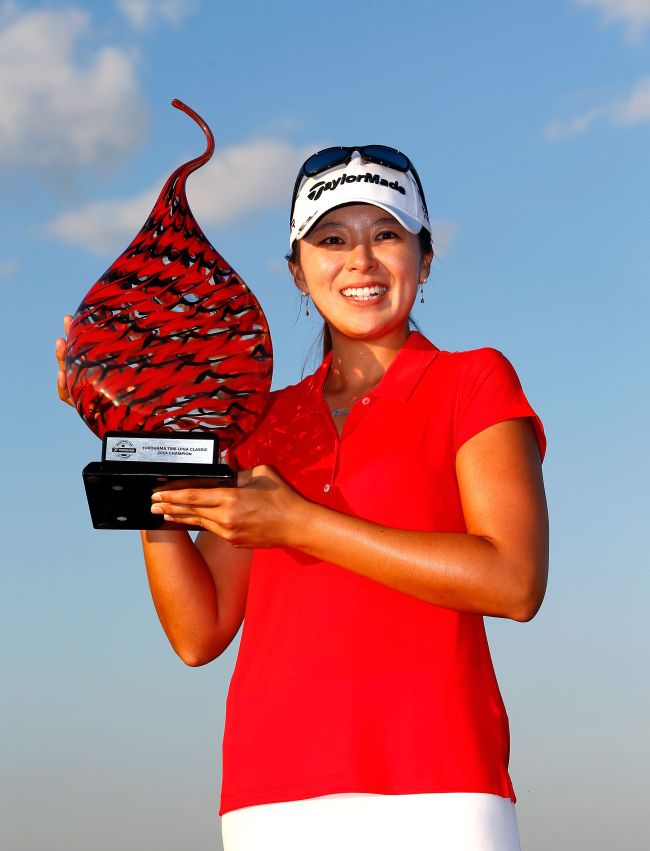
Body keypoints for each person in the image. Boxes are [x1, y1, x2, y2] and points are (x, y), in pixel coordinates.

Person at [56, 145, 548, 851]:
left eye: (386, 234)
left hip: (443, 787)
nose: (361, 261)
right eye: (332, 239)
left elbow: (514, 580)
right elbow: (199, 632)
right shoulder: (264, 420)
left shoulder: (474, 381)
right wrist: (140, 445)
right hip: (270, 795)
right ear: (297, 269)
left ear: (425, 258)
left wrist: (299, 523)